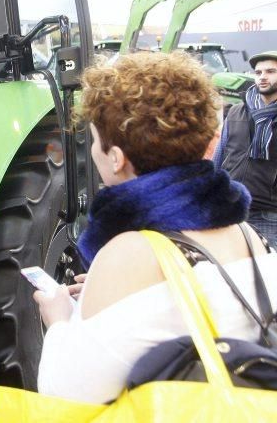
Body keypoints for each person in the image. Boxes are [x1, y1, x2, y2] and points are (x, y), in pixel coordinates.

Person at [33, 51, 277, 404]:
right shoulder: (247, 234)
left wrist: (58, 318)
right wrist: (106, 292)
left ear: (116, 158)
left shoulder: (129, 252)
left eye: (93, 140)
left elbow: (66, 391)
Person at [213, 51, 277, 247]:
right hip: (232, 209)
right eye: (258, 73)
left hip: (269, 215)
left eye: (270, 71)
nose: (263, 77)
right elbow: (220, 155)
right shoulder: (235, 111)